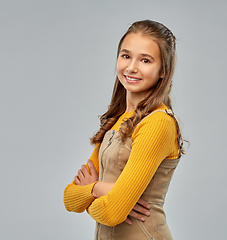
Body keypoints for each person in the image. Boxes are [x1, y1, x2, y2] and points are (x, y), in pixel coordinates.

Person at [64, 19, 185, 240]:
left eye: (146, 60)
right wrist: (99, 190)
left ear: (162, 71)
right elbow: (70, 198)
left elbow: (112, 213)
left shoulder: (158, 122)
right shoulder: (117, 119)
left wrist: (93, 189)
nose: (131, 67)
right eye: (126, 56)